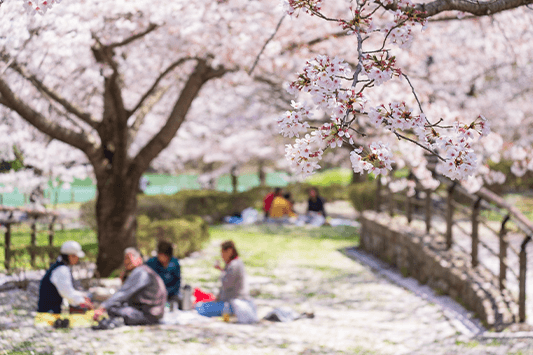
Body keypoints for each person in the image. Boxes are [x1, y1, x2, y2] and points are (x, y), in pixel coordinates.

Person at [92, 247, 167, 329]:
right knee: (115, 306)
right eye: (125, 259)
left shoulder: (141, 272)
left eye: (129, 259)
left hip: (147, 314)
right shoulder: (145, 271)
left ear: (139, 259)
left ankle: (118, 321)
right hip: (153, 313)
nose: (126, 262)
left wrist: (102, 307)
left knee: (112, 308)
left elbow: (123, 293)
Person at [196, 240, 257, 324]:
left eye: (222, 252)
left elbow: (226, 283)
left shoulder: (234, 265)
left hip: (233, 305)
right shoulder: (235, 263)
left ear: (229, 251)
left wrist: (222, 271)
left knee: (199, 308)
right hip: (232, 304)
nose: (222, 256)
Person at [37, 241, 93, 314]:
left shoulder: (58, 267)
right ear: (70, 256)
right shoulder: (61, 270)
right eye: (76, 256)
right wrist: (83, 302)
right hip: (48, 313)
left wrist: (82, 296)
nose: (78, 259)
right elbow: (67, 293)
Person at [145, 240, 181, 310]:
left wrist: (167, 292)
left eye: (165, 256)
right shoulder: (151, 263)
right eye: (160, 255)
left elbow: (177, 282)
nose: (162, 258)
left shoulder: (175, 263)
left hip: (171, 295)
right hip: (154, 295)